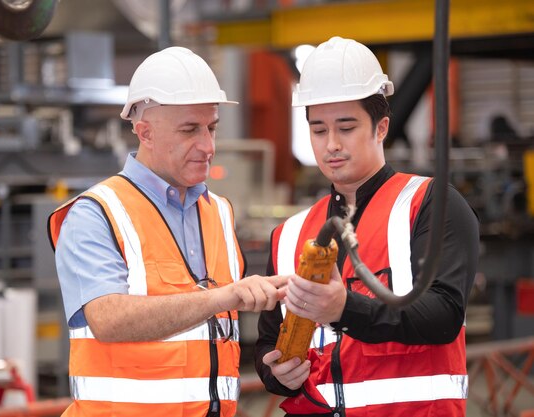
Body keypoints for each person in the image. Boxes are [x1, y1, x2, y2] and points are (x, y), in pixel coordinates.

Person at [48, 46, 289, 417]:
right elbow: (108, 319)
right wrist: (223, 297)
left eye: (211, 128)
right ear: (144, 132)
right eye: (190, 130)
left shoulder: (219, 212)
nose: (208, 146)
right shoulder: (95, 214)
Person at [254, 36, 480, 417]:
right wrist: (276, 373)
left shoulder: (430, 204)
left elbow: (443, 315)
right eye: (319, 130)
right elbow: (266, 341)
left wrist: (346, 308)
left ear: (381, 127)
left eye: (346, 127)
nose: (331, 145)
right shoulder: (289, 234)